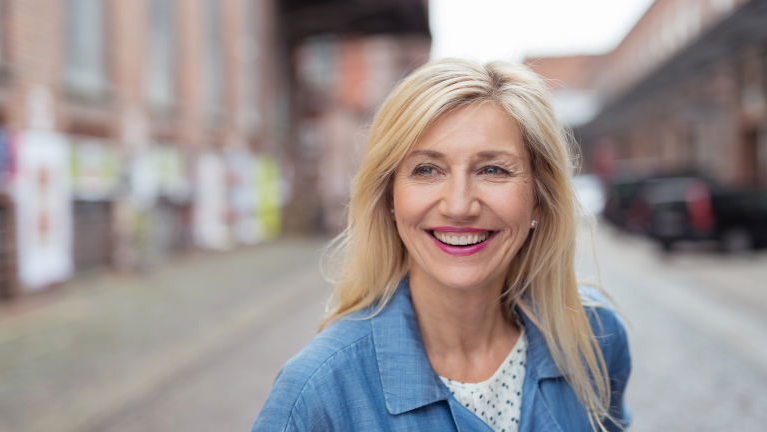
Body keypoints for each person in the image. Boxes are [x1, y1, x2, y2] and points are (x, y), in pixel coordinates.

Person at [252, 59, 632, 432]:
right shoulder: (317, 391)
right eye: (427, 170)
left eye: (493, 170)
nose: (459, 205)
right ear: (389, 199)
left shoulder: (596, 338)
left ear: (538, 197)